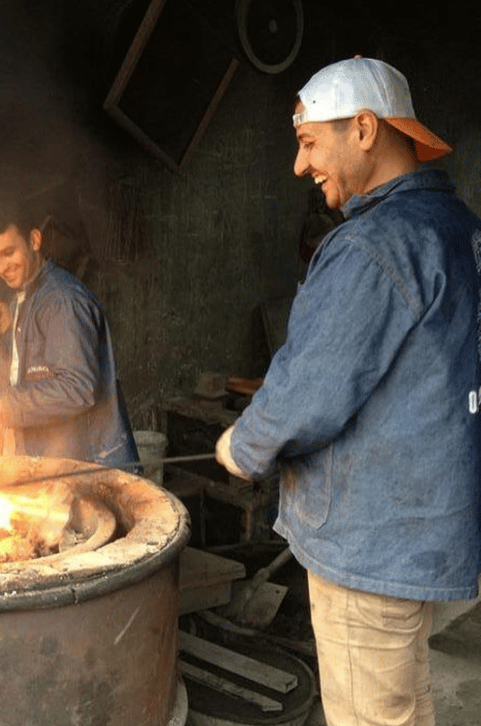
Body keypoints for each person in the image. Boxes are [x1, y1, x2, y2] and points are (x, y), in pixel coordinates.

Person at [215, 56, 481, 726]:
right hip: (426, 529)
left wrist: (242, 446)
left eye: (309, 143)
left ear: (363, 129)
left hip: (370, 541)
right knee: (403, 705)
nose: (299, 166)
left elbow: (309, 387)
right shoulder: (459, 228)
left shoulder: (372, 246)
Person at [0, 199, 139, 468]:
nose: (0, 267)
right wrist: (11, 323)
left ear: (34, 240)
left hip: (88, 467)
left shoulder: (62, 300)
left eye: (8, 252)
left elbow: (77, 389)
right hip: (50, 460)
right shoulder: (25, 297)